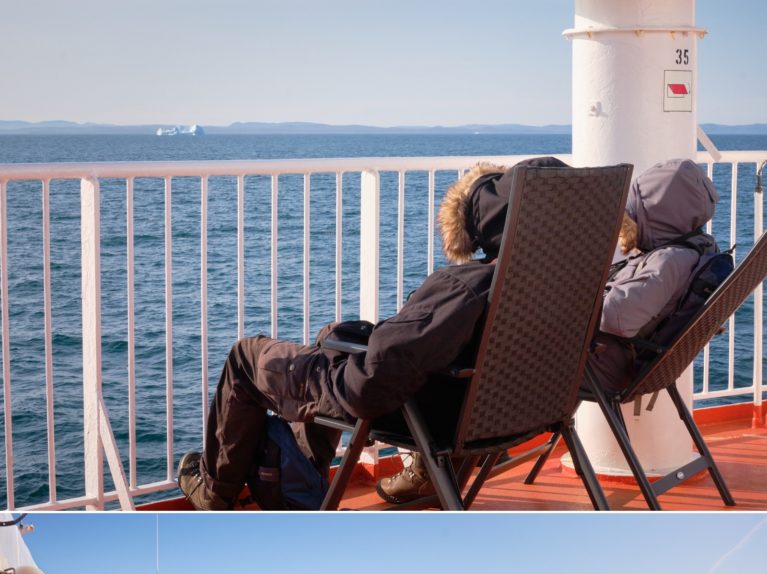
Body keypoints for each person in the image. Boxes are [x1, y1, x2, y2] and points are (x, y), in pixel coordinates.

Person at [176, 157, 573, 510]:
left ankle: (215, 492)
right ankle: (299, 481)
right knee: (335, 334)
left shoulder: (466, 288)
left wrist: (336, 364)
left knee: (246, 357)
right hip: (503, 413)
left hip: (407, 408)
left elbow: (370, 383)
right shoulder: (564, 284)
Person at [376, 156, 722, 501]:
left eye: (637, 205)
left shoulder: (666, 262)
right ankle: (460, 454)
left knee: (465, 345)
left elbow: (616, 317)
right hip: (611, 359)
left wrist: (564, 289)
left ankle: (444, 457)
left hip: (588, 364)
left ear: (656, 210)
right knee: (471, 330)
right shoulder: (689, 251)